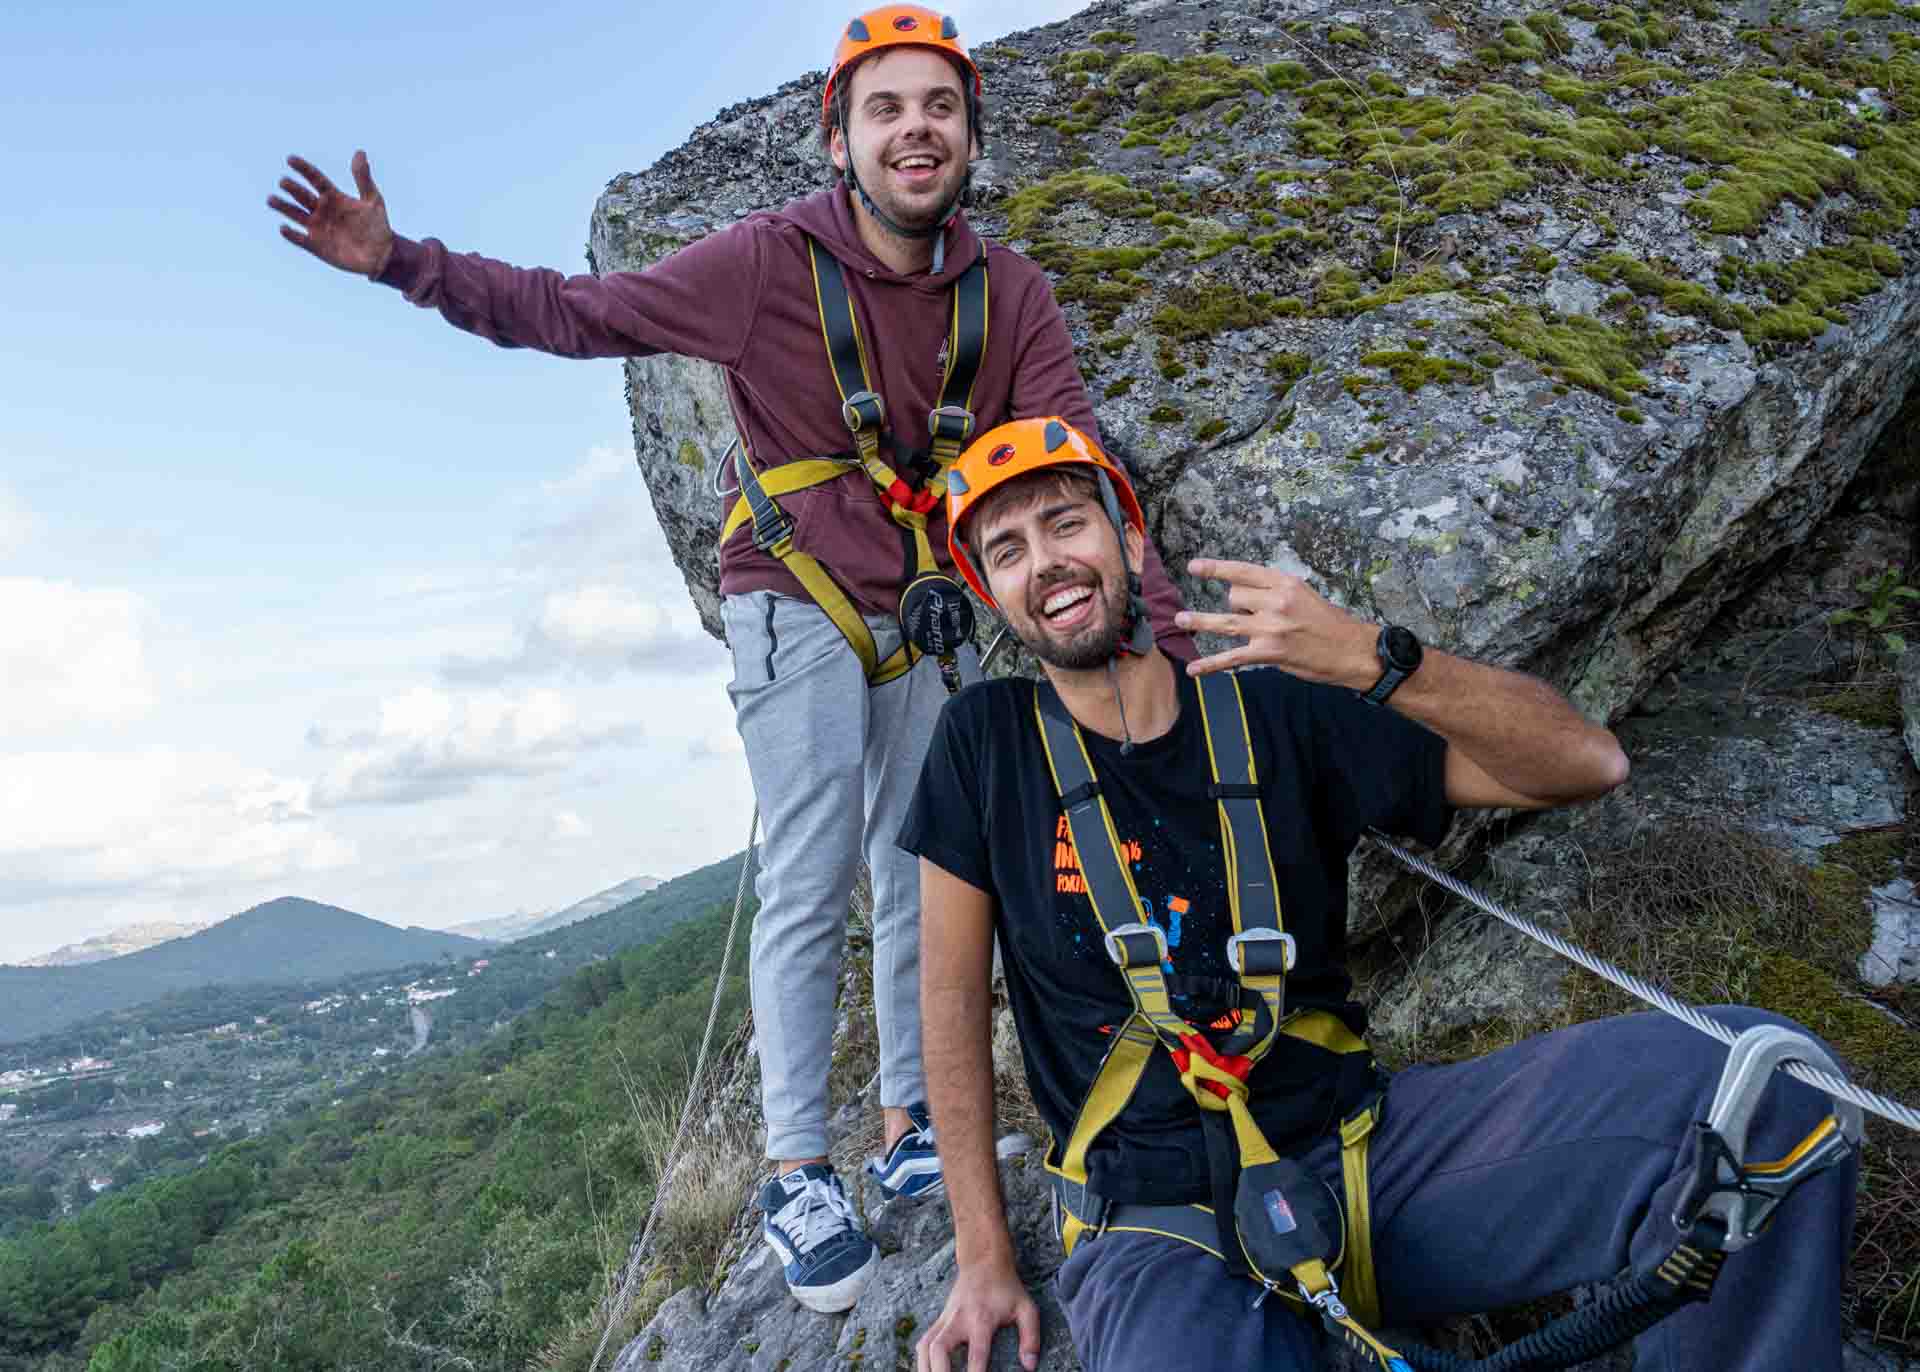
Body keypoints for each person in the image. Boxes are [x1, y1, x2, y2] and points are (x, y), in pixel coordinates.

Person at [267, 7, 1194, 1316]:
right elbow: (577, 314)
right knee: (816, 861)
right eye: (886, 109)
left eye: (939, 107)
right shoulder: (770, 263)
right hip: (796, 593)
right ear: (843, 138)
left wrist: (1181, 660)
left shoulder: (1010, 296)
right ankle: (796, 1168)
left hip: (922, 601)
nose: (914, 130)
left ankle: (910, 1126)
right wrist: (402, 263)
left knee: (921, 861)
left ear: (971, 135)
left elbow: (1087, 473)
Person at [900, 416, 1860, 1371]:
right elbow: (948, 1004)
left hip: (1364, 1157)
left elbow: (1584, 762)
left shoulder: (1275, 705)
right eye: (1008, 551)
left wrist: (1371, 657)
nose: (1047, 564)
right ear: (992, 592)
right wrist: (982, 1255)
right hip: (1152, 1225)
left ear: (1131, 538)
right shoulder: (987, 743)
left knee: (1764, 1089)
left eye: (1068, 524)